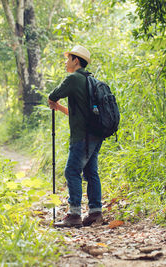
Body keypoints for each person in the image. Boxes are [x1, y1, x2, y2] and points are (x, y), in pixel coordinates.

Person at [48, 45, 103, 227]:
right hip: (96, 134)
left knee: (72, 171)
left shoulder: (73, 78)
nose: (65, 62)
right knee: (90, 172)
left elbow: (53, 94)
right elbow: (76, 112)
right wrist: (59, 107)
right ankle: (95, 212)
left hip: (82, 136)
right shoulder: (91, 80)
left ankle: (74, 215)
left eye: (68, 58)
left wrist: (52, 101)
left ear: (76, 60)